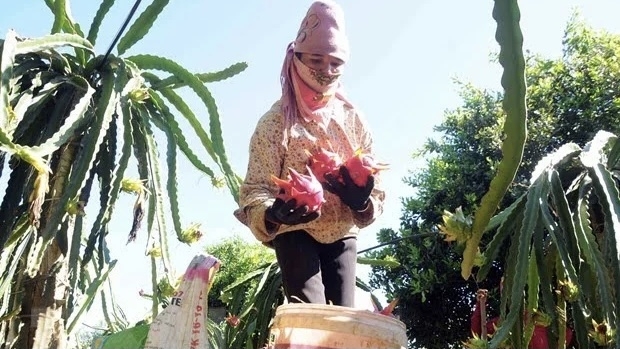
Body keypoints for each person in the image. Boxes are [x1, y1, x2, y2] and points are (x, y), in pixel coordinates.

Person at [233, 0, 385, 308]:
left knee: (343, 318)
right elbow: (254, 191)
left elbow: (377, 187)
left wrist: (363, 201)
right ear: (297, 58)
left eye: (335, 64)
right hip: (295, 231)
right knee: (309, 314)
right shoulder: (274, 123)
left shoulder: (353, 119)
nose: (326, 71)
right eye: (316, 60)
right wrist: (273, 214)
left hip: (343, 232)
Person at [471, 286, 574, 348]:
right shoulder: (501, 323)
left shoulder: (542, 320)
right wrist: (480, 305)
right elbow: (478, 332)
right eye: (506, 290)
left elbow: (567, 334)